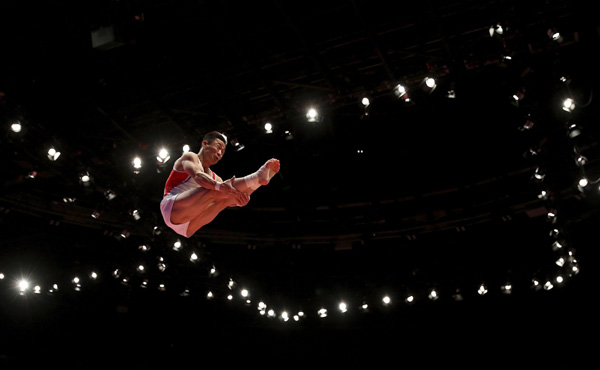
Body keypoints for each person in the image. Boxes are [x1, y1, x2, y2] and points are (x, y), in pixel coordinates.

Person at [160, 131, 280, 238]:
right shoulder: (190, 157)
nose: (220, 153)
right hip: (172, 209)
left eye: (223, 152)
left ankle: (257, 181)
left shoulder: (216, 178)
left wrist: (239, 201)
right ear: (205, 144)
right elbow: (198, 176)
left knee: (225, 198)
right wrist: (219, 187)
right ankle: (256, 177)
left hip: (189, 226)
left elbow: (228, 197)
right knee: (217, 189)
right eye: (218, 147)